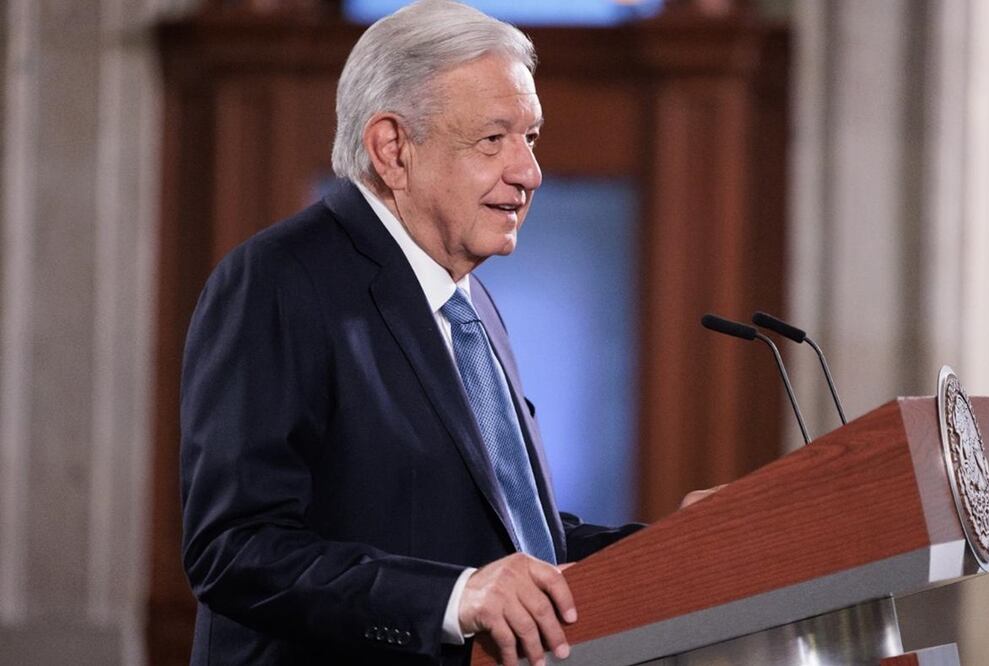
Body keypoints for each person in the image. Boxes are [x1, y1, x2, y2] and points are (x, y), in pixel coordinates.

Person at [180, 2, 712, 664]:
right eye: (493, 139)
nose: (528, 173)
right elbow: (234, 549)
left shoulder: (471, 301)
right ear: (392, 149)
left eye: (530, 137)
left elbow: (517, 538)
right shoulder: (277, 281)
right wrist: (452, 599)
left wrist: (679, 546)